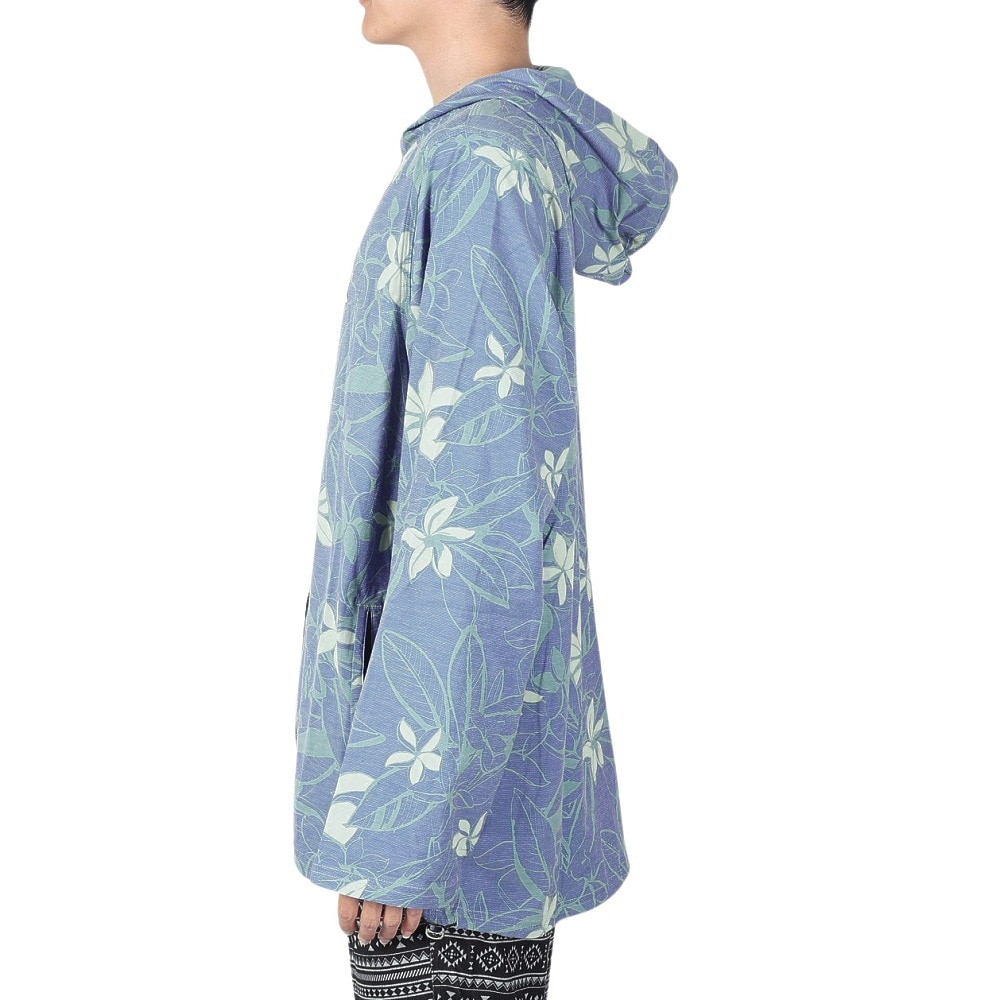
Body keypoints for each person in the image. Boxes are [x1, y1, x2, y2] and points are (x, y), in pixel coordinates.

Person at [292, 1, 678, 995]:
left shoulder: (480, 163)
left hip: (439, 811)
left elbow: (478, 507)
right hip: (479, 770)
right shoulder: (498, 155)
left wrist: (400, 824)